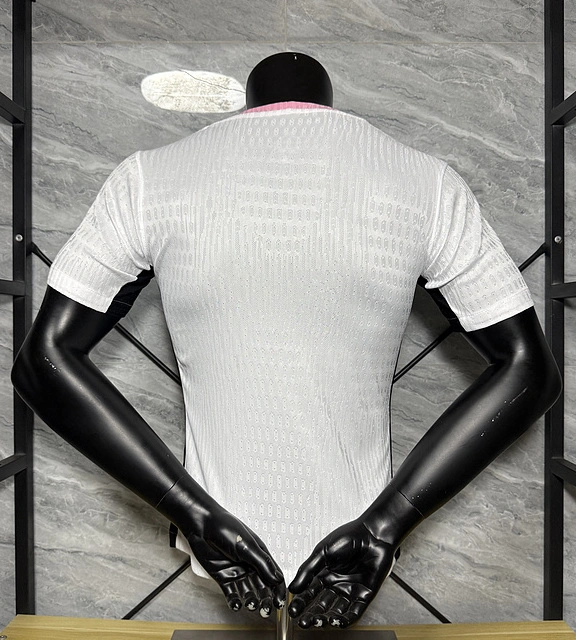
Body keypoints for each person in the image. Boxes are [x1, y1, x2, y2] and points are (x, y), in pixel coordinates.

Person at [11, 52, 561, 629]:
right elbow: (530, 369)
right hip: (359, 530)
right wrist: (386, 525)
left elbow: (43, 360)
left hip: (221, 525)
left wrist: (191, 512)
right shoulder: (426, 183)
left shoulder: (150, 179)